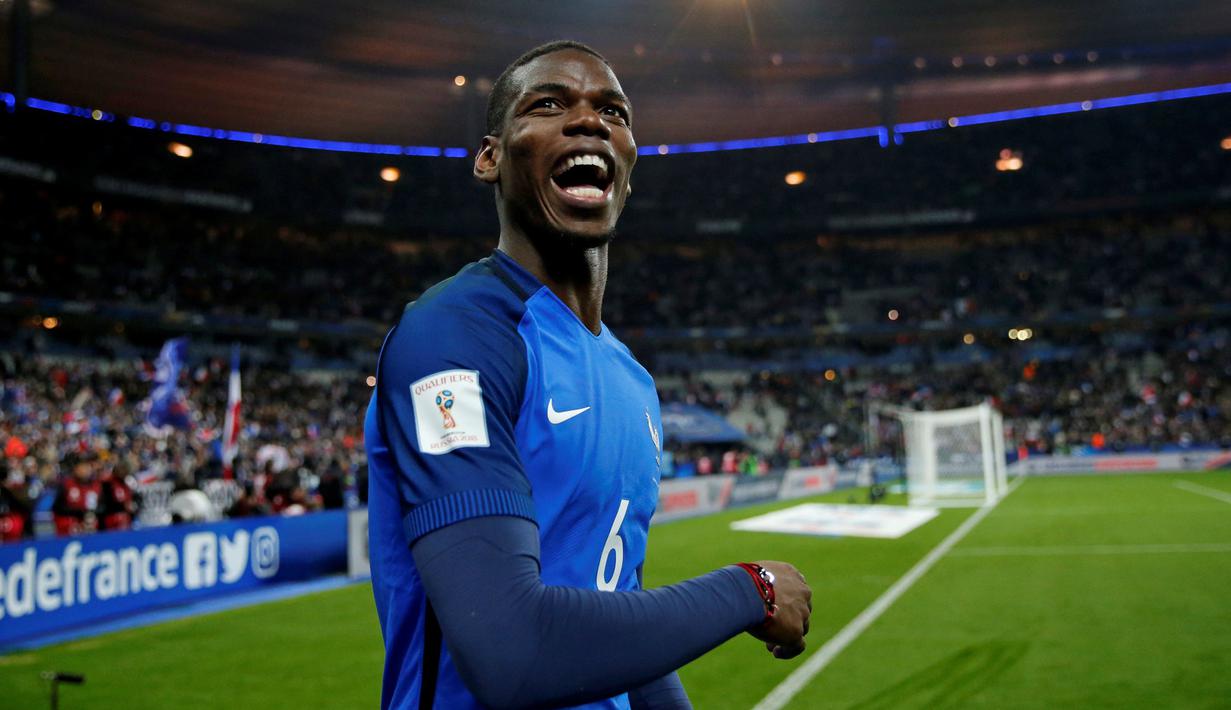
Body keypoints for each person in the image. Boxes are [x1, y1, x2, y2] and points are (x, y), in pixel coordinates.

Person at [365, 40, 811, 710]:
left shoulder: (631, 380)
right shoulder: (456, 336)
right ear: (489, 158)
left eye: (613, 112)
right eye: (547, 104)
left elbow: (616, 605)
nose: (589, 122)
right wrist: (749, 590)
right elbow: (510, 651)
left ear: (627, 164)